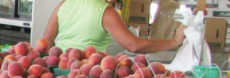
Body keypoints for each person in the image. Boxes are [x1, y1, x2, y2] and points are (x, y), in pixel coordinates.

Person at [42, 0, 185, 54]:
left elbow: (46, 41)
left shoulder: (63, 5)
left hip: (61, 72)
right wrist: (174, 41)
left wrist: (56, 62)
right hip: (89, 74)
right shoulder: (105, 12)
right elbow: (134, 45)